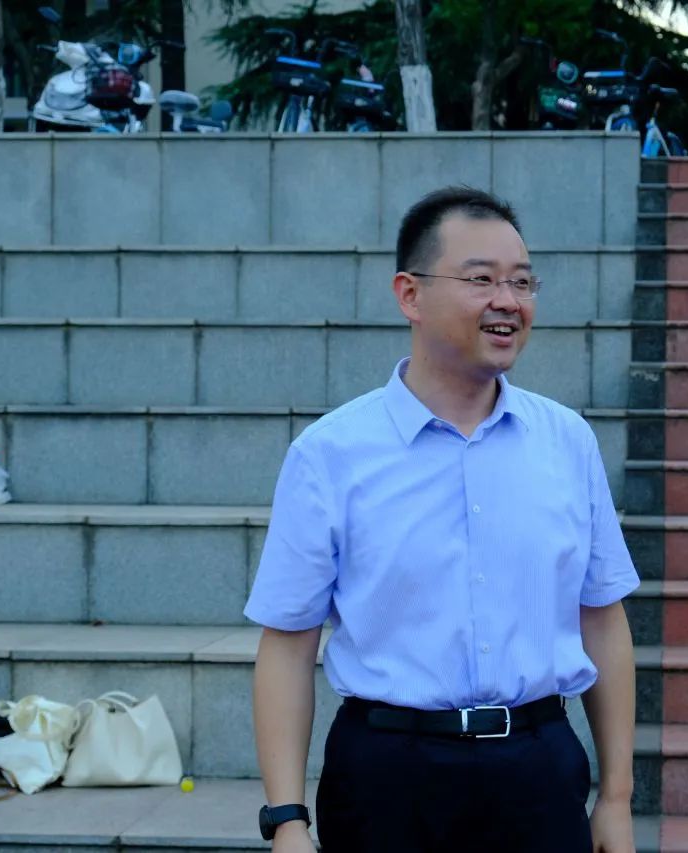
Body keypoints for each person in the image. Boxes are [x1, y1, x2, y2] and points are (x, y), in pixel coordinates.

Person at [246, 186, 641, 853]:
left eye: (522, 282)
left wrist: (617, 798)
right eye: (481, 279)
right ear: (410, 295)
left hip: (538, 772)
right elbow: (288, 643)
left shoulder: (567, 442)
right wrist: (287, 819)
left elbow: (602, 618)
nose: (508, 301)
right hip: (387, 780)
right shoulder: (331, 454)